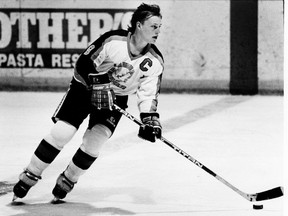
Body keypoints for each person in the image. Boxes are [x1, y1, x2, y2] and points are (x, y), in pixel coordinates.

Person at [12, 3, 164, 202]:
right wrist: (97, 83)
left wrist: (150, 119)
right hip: (85, 88)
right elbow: (83, 63)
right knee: (62, 132)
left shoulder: (155, 61)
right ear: (138, 25)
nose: (158, 31)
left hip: (114, 99)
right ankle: (30, 174)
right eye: (154, 26)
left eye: (160, 27)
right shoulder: (113, 40)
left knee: (95, 142)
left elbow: (148, 95)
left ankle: (69, 178)